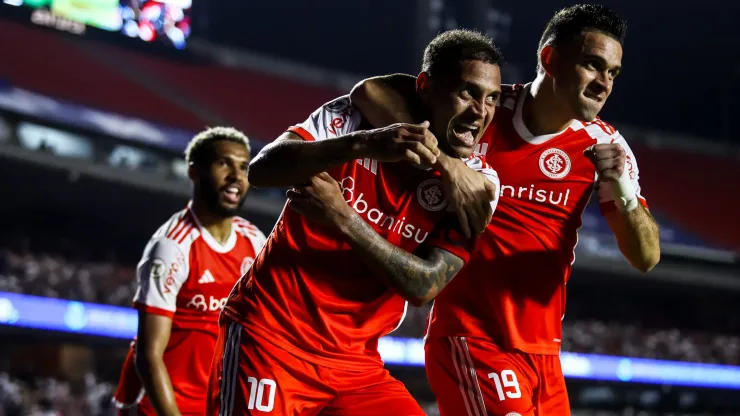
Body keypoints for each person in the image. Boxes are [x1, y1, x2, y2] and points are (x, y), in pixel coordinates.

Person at [350, 4, 661, 415]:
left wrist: (622, 193)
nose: (604, 83)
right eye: (592, 65)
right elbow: (369, 92)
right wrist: (448, 164)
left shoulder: (607, 147)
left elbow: (646, 257)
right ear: (549, 58)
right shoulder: (481, 109)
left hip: (544, 356)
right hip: (472, 338)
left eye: (613, 73)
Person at [206, 29, 503, 416]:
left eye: (492, 98)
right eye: (467, 93)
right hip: (270, 338)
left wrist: (343, 217)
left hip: (356, 365)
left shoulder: (480, 185)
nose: (481, 112)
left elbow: (424, 284)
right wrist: (360, 143)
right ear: (426, 87)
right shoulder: (354, 120)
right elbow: (261, 170)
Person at [112, 127, 267, 416]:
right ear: (194, 172)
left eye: (244, 167)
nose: (236, 176)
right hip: (162, 404)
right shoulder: (172, 247)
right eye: (224, 163)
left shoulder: (254, 241)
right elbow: (148, 356)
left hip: (217, 403)